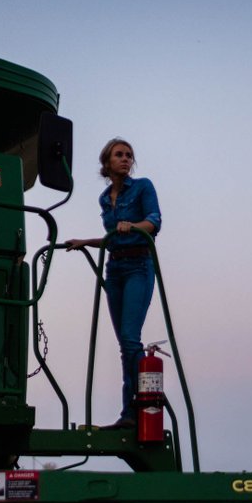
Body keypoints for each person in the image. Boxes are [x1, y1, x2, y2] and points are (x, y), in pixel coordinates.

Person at [66, 137, 162, 429]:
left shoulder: (143, 186)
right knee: (124, 343)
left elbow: (154, 221)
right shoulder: (105, 198)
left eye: (129, 155)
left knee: (131, 337)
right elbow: (113, 237)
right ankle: (129, 412)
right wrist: (86, 241)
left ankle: (134, 409)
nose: (126, 159)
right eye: (119, 155)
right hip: (115, 268)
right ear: (106, 163)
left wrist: (134, 226)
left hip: (138, 266)